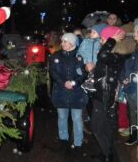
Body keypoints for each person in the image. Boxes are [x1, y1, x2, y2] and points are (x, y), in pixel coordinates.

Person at [49, 33, 87, 158]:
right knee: (62, 117)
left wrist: (74, 83)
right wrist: (63, 82)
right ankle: (63, 142)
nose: (62, 44)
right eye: (62, 41)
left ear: (72, 43)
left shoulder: (80, 56)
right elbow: (53, 72)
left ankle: (78, 145)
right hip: (61, 92)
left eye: (65, 41)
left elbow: (83, 74)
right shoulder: (56, 56)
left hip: (76, 93)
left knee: (76, 119)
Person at [90, 26, 125, 162]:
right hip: (100, 94)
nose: (101, 41)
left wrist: (111, 40)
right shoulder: (111, 53)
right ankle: (105, 153)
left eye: (103, 38)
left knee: (97, 127)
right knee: (104, 126)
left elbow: (102, 56)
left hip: (105, 96)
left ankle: (107, 155)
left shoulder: (116, 55)